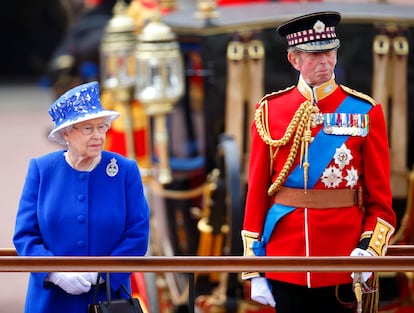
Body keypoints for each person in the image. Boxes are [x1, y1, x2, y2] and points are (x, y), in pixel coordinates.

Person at [241, 11, 397, 313]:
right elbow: (257, 194)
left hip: (343, 259)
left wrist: (368, 250)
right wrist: (255, 267)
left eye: (329, 52)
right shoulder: (269, 111)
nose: (324, 61)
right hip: (284, 259)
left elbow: (381, 200)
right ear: (294, 60)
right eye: (314, 55)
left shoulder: (365, 111)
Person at [13, 81, 150, 313]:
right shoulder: (41, 170)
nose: (97, 135)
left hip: (108, 300)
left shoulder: (125, 171)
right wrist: (55, 273)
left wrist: (101, 274)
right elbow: (25, 235)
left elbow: (137, 235)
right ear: (66, 133)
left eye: (102, 127)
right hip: (51, 302)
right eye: (88, 129)